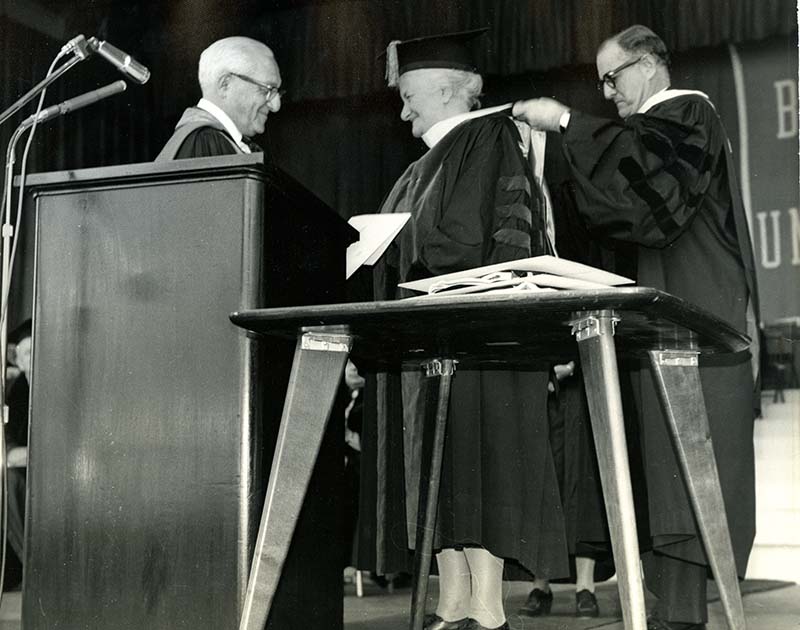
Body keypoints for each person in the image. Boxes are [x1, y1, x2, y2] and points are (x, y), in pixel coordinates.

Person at [512, 24, 760, 630]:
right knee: (667, 468)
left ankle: (684, 612)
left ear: (648, 66)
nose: (608, 92)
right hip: (669, 322)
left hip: (699, 319)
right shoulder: (655, 126)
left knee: (693, 467)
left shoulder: (687, 116)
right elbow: (616, 204)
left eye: (613, 76)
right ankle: (675, 610)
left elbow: (648, 195)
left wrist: (567, 123)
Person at [363, 29, 568, 630]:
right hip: (433, 340)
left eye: (410, 96)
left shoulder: (490, 137)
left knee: (477, 464)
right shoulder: (420, 165)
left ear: (451, 90)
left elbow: (474, 240)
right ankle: (452, 596)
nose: (402, 111)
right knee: (442, 467)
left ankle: (487, 605)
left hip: (481, 339)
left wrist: (400, 249)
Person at [156, 36, 282, 160]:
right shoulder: (206, 142)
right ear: (225, 84)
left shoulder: (211, 140)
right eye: (267, 89)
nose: (276, 105)